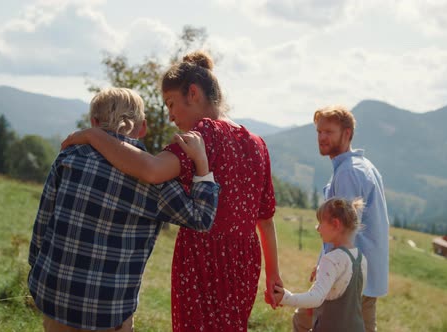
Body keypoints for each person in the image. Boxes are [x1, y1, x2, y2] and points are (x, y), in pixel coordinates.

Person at [61, 51, 281, 332]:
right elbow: (265, 217)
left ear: (193, 93)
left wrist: (94, 135)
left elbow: (151, 169)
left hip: (204, 258)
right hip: (244, 261)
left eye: (171, 104)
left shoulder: (204, 133)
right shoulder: (257, 142)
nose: (170, 116)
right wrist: (273, 273)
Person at [28, 87, 220, 332]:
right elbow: (201, 218)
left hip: (52, 294)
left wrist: (36, 273)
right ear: (142, 128)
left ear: (94, 123)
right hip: (109, 310)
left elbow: (43, 221)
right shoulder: (153, 179)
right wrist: (201, 164)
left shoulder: (69, 157)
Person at [293, 105, 389, 332]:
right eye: (319, 132)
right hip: (364, 273)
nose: (322, 137)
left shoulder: (348, 172)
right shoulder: (363, 166)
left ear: (347, 133)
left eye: (329, 132)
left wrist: (328, 265)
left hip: (348, 275)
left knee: (304, 320)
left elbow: (341, 227)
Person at [275, 198, 368, 332]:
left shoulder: (331, 259)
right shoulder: (361, 258)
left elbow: (316, 298)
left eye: (320, 223)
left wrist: (285, 297)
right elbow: (349, 297)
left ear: (335, 224)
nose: (317, 228)